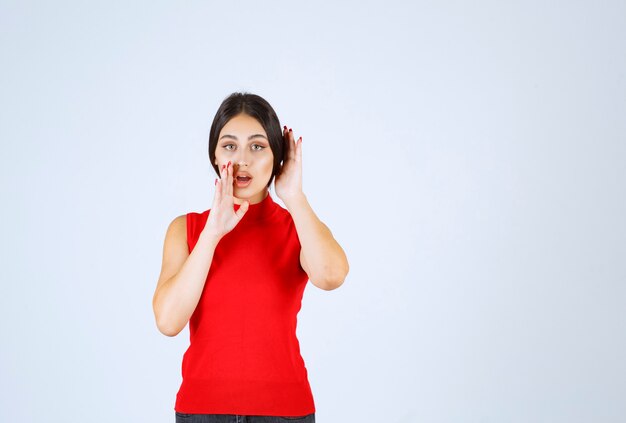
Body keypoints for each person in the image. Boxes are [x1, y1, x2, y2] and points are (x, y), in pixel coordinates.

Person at [152, 92, 350, 423]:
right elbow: (168, 321)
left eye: (257, 147)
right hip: (202, 412)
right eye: (230, 145)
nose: (242, 159)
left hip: (285, 412)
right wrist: (212, 233)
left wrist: (293, 196)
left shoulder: (297, 227)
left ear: (278, 156)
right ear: (215, 154)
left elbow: (331, 276)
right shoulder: (187, 229)